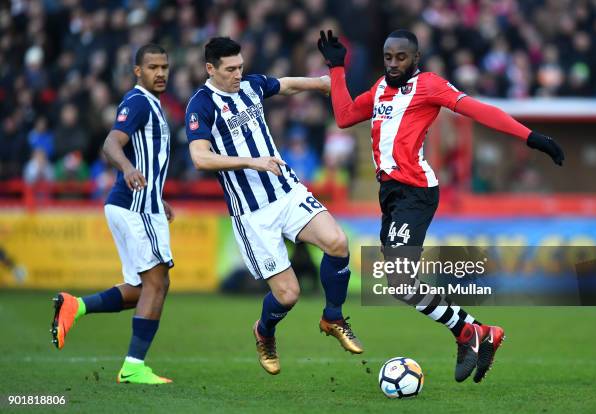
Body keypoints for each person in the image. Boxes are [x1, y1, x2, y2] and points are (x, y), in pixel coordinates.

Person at [317, 29, 564, 383]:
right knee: (401, 286)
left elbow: (479, 110)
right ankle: (476, 332)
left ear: (415, 58)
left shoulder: (429, 85)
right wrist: (337, 68)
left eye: (400, 57)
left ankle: (469, 333)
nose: (393, 64)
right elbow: (343, 116)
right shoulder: (380, 89)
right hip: (390, 193)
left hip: (415, 191)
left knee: (400, 279)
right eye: (388, 57)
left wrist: (532, 137)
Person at [185, 37, 363, 375]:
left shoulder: (251, 86)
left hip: (286, 191)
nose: (238, 74)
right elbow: (199, 158)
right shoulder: (202, 105)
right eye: (230, 69)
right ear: (211, 69)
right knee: (288, 295)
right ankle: (264, 331)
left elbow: (286, 85)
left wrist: (323, 84)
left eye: (240, 66)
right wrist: (250, 162)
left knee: (338, 243)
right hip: (252, 212)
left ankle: (333, 317)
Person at [50, 44, 175, 385]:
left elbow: (150, 159)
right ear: (138, 71)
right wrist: (129, 169)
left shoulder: (152, 104)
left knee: (140, 287)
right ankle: (133, 366)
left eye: (164, 66)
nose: (160, 73)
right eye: (152, 67)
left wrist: (157, 195)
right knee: (157, 282)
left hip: (139, 203)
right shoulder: (137, 101)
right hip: (134, 206)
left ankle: (76, 306)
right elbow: (111, 143)